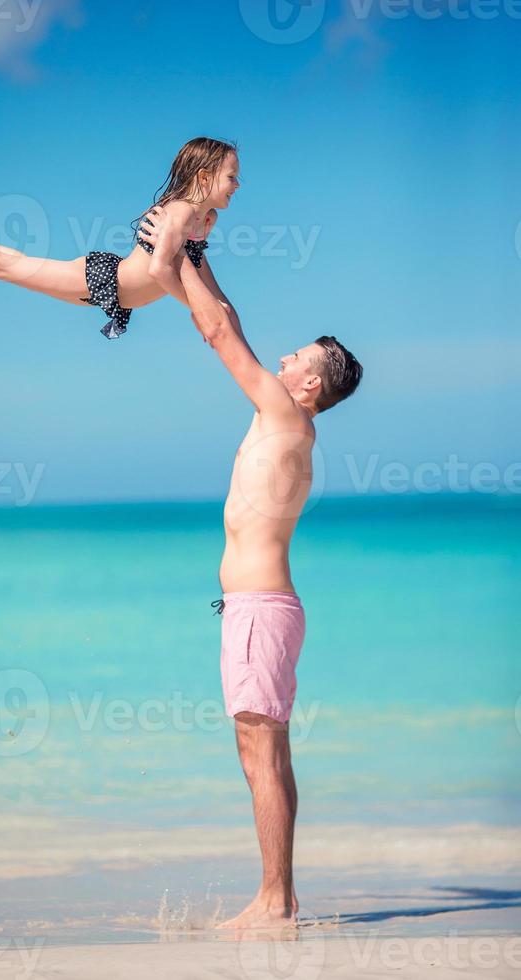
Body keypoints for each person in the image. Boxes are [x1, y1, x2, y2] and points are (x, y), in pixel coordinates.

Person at [140, 212, 363, 930]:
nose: (284, 360)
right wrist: (195, 258)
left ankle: (274, 901)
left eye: (296, 358)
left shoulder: (285, 415)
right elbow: (228, 317)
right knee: (263, 748)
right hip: (260, 609)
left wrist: (172, 259)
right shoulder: (285, 415)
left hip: (260, 608)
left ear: (307, 387)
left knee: (258, 747)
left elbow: (219, 335)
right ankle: (281, 896)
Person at [0, 137, 241, 340]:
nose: (237, 185)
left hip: (112, 292)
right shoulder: (181, 212)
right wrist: (199, 309)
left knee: (9, 266)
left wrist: (220, 308)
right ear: (204, 177)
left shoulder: (198, 219)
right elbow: (161, 271)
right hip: (103, 281)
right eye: (231, 177)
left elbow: (207, 282)